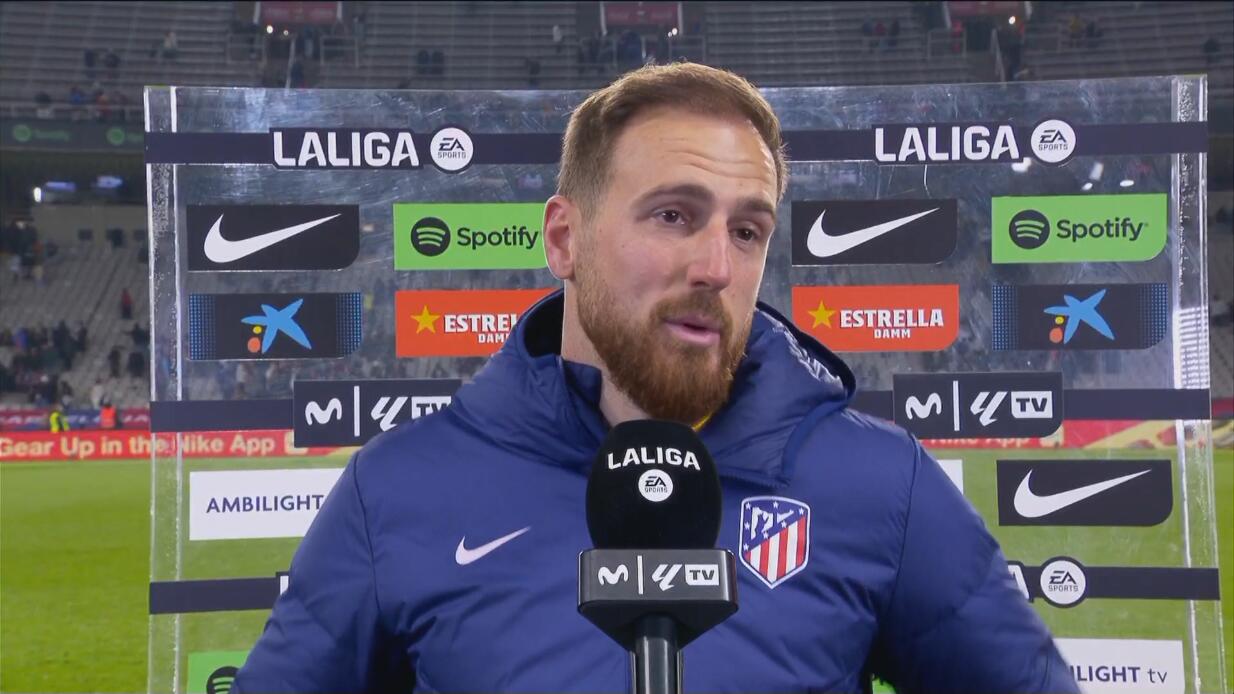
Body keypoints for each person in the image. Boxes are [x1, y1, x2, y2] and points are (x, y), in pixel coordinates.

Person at [232, 63, 1077, 693]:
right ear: (564, 239)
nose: (716, 267)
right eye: (674, 215)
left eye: (747, 231)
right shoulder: (397, 490)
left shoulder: (885, 486)